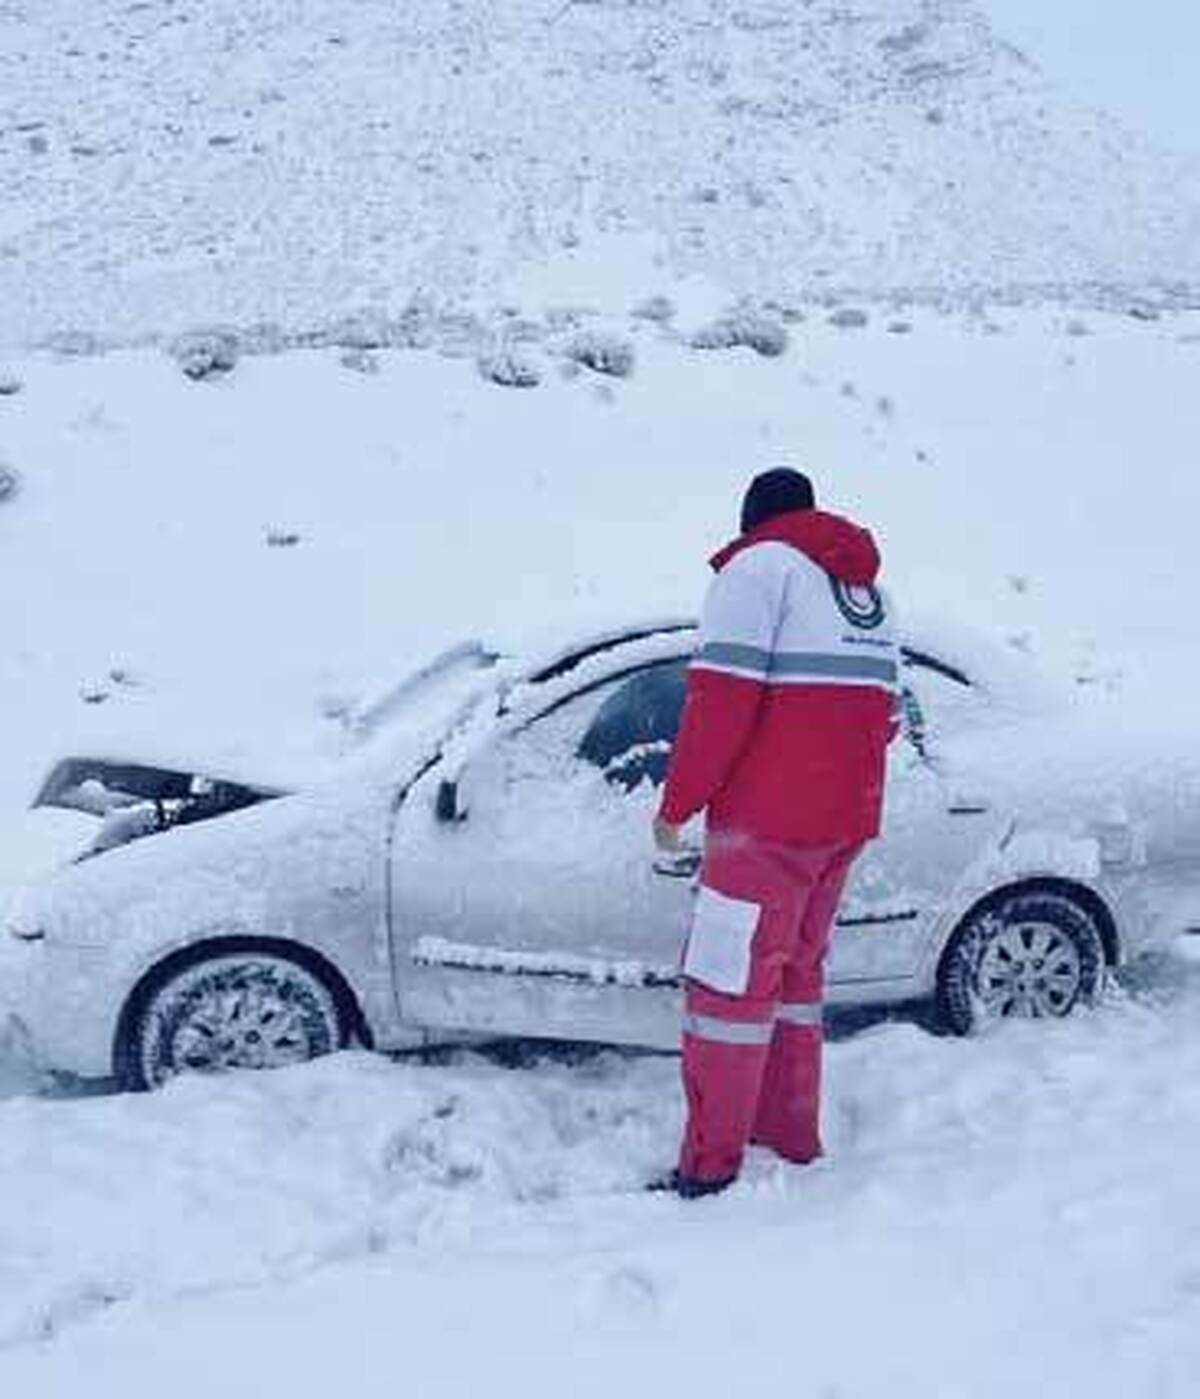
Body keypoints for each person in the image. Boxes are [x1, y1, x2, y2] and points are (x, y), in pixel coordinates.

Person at [651, 468, 899, 1198]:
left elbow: (719, 702)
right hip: (842, 823)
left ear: (751, 520)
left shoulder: (757, 570)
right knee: (794, 978)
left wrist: (678, 804)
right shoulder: (871, 596)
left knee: (727, 989)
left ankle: (710, 1163)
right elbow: (884, 717)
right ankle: (790, 1135)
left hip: (764, 826)